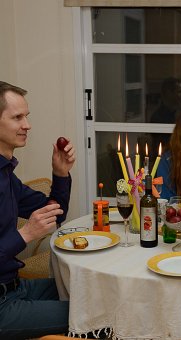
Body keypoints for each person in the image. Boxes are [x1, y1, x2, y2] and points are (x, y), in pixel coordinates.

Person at [0, 81, 76, 339]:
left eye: (27, 116)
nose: (27, 125)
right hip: (2, 306)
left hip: (15, 287)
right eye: (17, 117)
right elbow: (27, 233)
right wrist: (26, 234)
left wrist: (60, 174)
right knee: (92, 314)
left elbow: (55, 213)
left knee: (92, 293)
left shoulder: (6, 175)